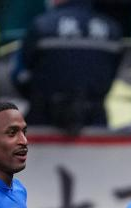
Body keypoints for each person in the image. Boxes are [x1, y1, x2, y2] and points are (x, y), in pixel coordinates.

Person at [11, 0, 123, 132]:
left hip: (43, 119)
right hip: (94, 120)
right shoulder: (112, 29)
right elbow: (113, 73)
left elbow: (19, 73)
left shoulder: (42, 25)